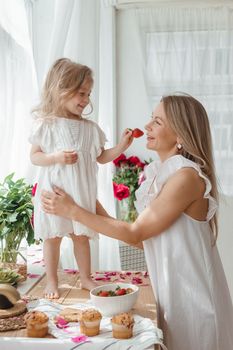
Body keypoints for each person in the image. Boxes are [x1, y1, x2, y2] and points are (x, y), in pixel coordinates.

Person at [41, 94, 233, 349]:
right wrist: (91, 207)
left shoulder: (186, 178)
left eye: (158, 121)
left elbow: (136, 233)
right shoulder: (166, 175)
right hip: (174, 295)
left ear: (181, 137)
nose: (148, 126)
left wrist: (74, 211)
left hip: (194, 302)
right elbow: (152, 241)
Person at [29, 58, 133, 299]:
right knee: (53, 238)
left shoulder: (90, 129)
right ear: (60, 90)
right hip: (54, 194)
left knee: (81, 237)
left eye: (88, 94)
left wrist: (121, 146)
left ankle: (85, 277)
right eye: (81, 93)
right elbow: (35, 157)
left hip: (81, 194)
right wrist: (55, 157)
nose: (86, 100)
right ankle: (52, 281)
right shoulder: (48, 125)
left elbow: (102, 157)